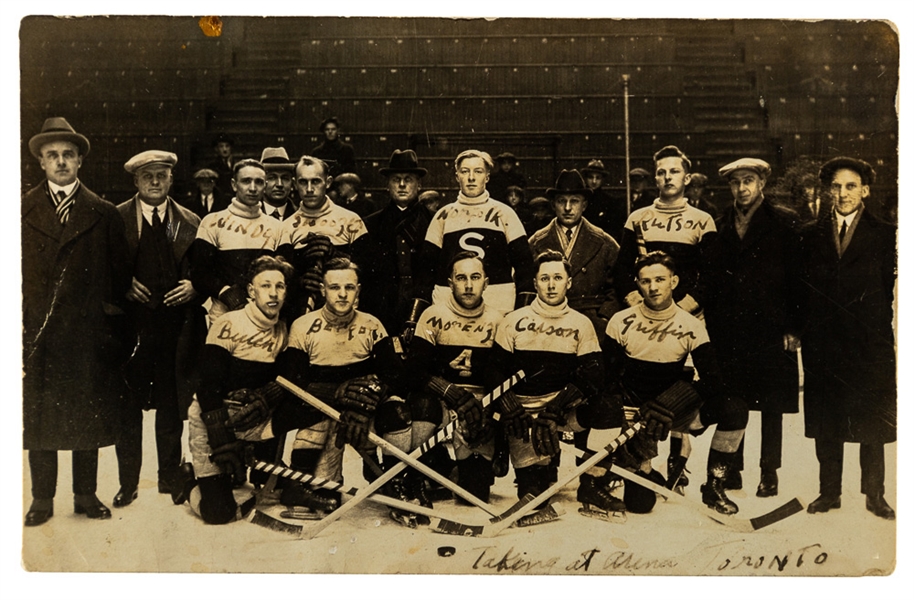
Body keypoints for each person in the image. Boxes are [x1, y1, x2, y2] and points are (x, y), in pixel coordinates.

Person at [23, 117, 131, 526]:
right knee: (41, 418)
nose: (61, 161)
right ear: (41, 162)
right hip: (39, 335)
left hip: (88, 335)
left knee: (87, 414)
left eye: (68, 154)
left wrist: (106, 330)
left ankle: (86, 494)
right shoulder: (19, 210)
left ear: (80, 160)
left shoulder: (103, 213)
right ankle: (41, 499)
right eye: (53, 155)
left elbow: (119, 281)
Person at [178, 256, 330, 524]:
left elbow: (291, 376)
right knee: (219, 514)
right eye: (265, 286)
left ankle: (293, 479)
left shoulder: (284, 328)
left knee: (315, 410)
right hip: (214, 416)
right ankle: (188, 482)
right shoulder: (229, 323)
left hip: (253, 417)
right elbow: (207, 388)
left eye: (280, 287)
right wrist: (221, 438)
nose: (273, 294)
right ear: (251, 291)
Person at [604, 251, 748, 515]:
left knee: (734, 408)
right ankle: (646, 475)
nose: (653, 287)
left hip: (673, 411)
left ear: (674, 281)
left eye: (660, 279)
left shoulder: (690, 324)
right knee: (640, 505)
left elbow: (713, 381)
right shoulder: (621, 321)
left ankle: (715, 486)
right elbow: (607, 378)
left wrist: (671, 402)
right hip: (637, 414)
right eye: (646, 281)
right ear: (637, 284)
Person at [801, 157, 896, 520]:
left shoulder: (888, 234)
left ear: (865, 191)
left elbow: (888, 289)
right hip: (823, 343)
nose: (843, 194)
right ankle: (829, 492)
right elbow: (801, 289)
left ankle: (875, 494)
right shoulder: (809, 235)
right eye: (837, 187)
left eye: (851, 186)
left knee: (871, 418)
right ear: (829, 191)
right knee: (828, 418)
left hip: (868, 342)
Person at [490, 250, 620, 513]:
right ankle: (539, 467)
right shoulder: (513, 321)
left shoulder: (581, 324)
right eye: (545, 278)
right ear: (535, 282)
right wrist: (510, 407)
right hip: (525, 415)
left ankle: (591, 483)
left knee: (608, 408)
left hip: (561, 412)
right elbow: (494, 372)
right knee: (535, 499)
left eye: (558, 278)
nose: (551, 285)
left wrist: (557, 408)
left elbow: (594, 375)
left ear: (568, 283)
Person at [703, 158, 802, 498]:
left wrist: (793, 327)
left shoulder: (784, 222)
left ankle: (769, 471)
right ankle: (733, 468)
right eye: (735, 182)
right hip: (730, 330)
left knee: (772, 403)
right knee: (735, 400)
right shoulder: (718, 225)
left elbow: (797, 280)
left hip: (771, 328)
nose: (742, 188)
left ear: (762, 183)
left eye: (749, 180)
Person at [278, 257, 404, 512]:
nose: (343, 294)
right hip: (326, 411)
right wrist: (340, 397)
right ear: (323, 290)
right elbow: (296, 383)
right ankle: (304, 482)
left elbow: (393, 376)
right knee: (328, 497)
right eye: (335, 287)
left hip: (365, 411)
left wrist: (362, 406)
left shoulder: (372, 324)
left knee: (397, 413)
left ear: (358, 289)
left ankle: (390, 477)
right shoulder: (303, 326)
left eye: (349, 287)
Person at [113, 150, 201, 508]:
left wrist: (194, 285)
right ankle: (128, 483)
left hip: (173, 327)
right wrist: (123, 283)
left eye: (161, 175)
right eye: (146, 175)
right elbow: (101, 269)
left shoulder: (191, 220)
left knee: (170, 404)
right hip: (131, 329)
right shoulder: (115, 218)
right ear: (135, 181)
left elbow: (203, 266)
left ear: (171, 179)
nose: (154, 181)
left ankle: (168, 478)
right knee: (128, 408)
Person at [397, 252, 505, 520]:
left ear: (486, 283)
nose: (469, 285)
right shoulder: (433, 315)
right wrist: (450, 392)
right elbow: (414, 373)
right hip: (441, 402)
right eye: (461, 278)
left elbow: (503, 378)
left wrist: (494, 423)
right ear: (450, 283)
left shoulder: (499, 320)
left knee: (475, 493)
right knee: (422, 404)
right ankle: (417, 473)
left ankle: (449, 469)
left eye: (475, 277)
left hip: (477, 408)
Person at [417, 149, 536, 321]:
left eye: (478, 171)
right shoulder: (442, 216)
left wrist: (521, 314)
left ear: (487, 177)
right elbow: (426, 271)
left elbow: (524, 267)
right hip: (449, 312)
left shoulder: (505, 214)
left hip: (499, 308)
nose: (471, 177)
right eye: (465, 171)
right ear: (457, 176)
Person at [613, 145, 717, 319]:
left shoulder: (703, 220)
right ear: (655, 179)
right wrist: (637, 303)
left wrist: (684, 307)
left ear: (687, 178)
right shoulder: (637, 218)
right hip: (644, 316)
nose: (667, 177)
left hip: (688, 316)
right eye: (661, 172)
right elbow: (622, 270)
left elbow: (711, 275)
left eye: (675, 171)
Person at [277, 155, 369, 318]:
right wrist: (299, 281)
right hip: (303, 314)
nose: (310, 189)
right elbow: (280, 281)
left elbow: (368, 271)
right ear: (294, 183)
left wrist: (336, 256)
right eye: (303, 182)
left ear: (328, 182)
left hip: (346, 312)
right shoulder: (286, 227)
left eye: (316, 181)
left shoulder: (351, 220)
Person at [192, 159, 281, 323]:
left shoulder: (276, 226)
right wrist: (226, 292)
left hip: (266, 317)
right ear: (234, 184)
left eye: (259, 182)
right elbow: (199, 274)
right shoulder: (212, 222)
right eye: (246, 181)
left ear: (265, 185)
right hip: (224, 316)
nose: (253, 188)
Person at [362, 149, 431, 336]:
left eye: (408, 179)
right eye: (395, 179)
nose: (401, 185)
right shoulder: (371, 224)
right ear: (387, 185)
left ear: (419, 185)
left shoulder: (434, 222)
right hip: (383, 307)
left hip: (425, 304)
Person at [581, 159, 626, 242]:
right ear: (585, 178)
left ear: (602, 180)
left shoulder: (610, 202)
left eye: (598, 178)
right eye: (591, 177)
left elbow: (613, 229)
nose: (594, 181)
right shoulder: (580, 200)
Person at [260, 147, 297, 220]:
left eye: (285, 178)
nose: (279, 184)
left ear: (292, 183)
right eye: (272, 178)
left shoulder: (299, 216)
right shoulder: (248, 216)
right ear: (261, 182)